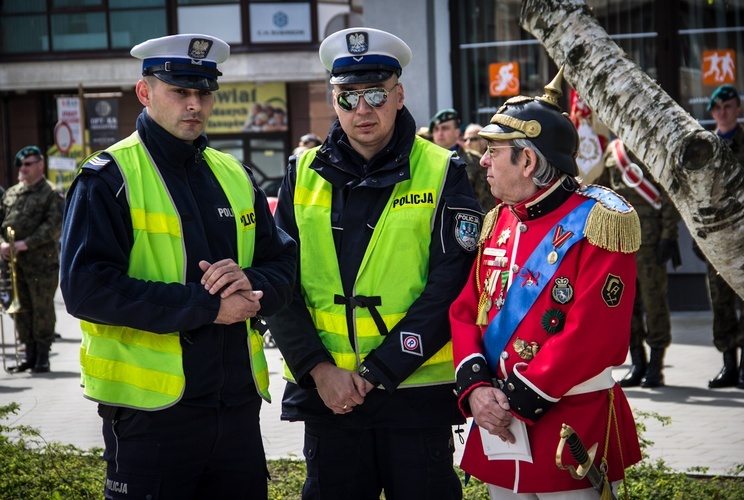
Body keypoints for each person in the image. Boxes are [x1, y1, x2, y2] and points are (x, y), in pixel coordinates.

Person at [59, 34, 297, 499]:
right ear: (144, 93)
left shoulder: (233, 173)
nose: (195, 104)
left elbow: (284, 259)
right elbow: (85, 289)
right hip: (150, 419)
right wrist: (207, 307)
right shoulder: (108, 178)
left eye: (204, 93)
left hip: (236, 413)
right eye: (180, 91)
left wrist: (252, 282)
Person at [265, 27, 482, 499]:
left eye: (376, 93)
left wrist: (377, 372)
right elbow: (278, 281)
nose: (362, 109)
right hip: (328, 398)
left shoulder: (442, 170)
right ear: (333, 100)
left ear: (399, 95)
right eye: (348, 97)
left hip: (413, 396)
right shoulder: (300, 173)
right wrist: (319, 370)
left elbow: (453, 284)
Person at [449, 69, 642, 498]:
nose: (482, 160)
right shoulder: (498, 219)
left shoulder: (599, 221)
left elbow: (594, 333)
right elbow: (466, 309)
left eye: (493, 150)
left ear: (528, 160)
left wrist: (513, 399)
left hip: (569, 425)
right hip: (499, 424)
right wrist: (478, 388)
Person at [599, 138, 681, 388]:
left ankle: (656, 363)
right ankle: (638, 362)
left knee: (654, 302)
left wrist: (669, 234)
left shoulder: (653, 146)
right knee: (625, 305)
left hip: (650, 242)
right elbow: (602, 191)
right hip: (620, 242)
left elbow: (668, 194)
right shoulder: (613, 152)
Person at [701, 84, 744, 389]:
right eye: (717, 108)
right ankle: (728, 364)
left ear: (738, 109)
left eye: (728, 106)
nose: (723, 112)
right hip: (716, 238)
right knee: (719, 302)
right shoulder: (705, 149)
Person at [1, 145, 64, 373]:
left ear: (40, 165)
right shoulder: (11, 193)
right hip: (14, 264)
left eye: (28, 164)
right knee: (22, 310)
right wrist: (2, 244)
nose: (23, 169)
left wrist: (24, 244)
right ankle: (28, 354)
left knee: (42, 309)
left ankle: (42, 356)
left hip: (41, 264)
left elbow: (53, 226)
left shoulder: (51, 192)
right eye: (21, 165)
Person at [431, 109, 496, 212]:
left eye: (445, 128)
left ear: (457, 132)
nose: (440, 133)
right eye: (436, 129)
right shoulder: (426, 161)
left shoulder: (475, 161)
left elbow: (485, 201)